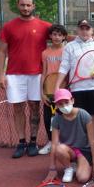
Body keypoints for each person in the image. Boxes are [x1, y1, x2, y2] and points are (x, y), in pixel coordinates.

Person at [0, 0, 52, 158]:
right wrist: (0, 74)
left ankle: (33, 142)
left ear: (33, 6)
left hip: (37, 75)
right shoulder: (8, 27)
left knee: (35, 108)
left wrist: (85, 36)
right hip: (14, 75)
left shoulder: (44, 26)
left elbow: (62, 35)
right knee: (18, 108)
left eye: (28, 5)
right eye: (22, 5)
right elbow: (1, 51)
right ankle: (21, 142)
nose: (25, 8)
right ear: (17, 5)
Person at [55, 19, 94, 146]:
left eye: (87, 28)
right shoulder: (69, 46)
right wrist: (57, 86)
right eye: (82, 28)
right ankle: (81, 143)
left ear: (92, 30)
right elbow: (64, 67)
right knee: (77, 117)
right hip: (76, 88)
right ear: (77, 30)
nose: (84, 31)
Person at [43, 88, 94, 183]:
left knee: (83, 178)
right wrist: (52, 168)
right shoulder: (56, 119)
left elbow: (92, 141)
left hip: (84, 150)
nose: (64, 106)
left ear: (72, 100)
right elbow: (54, 143)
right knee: (58, 148)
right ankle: (68, 168)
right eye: (60, 104)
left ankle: (81, 164)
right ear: (56, 105)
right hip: (69, 150)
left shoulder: (84, 115)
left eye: (66, 102)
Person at [39, 24, 68, 155]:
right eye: (54, 34)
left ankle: (64, 142)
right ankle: (51, 142)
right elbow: (44, 73)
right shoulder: (45, 53)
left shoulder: (68, 51)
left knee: (65, 116)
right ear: (50, 36)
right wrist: (42, 92)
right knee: (49, 117)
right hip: (50, 91)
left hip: (64, 90)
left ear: (64, 37)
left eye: (59, 35)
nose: (56, 37)